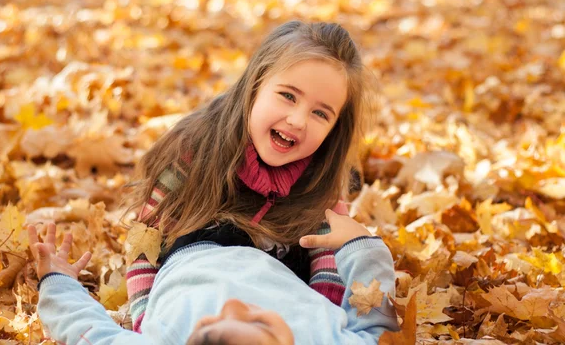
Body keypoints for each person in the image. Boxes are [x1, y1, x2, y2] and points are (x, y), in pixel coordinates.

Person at [29, 21, 399, 343]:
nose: (298, 120)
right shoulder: (322, 337)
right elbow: (374, 321)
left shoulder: (169, 336)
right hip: (287, 272)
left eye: (213, 326)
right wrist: (361, 246)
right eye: (289, 96)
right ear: (254, 85)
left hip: (194, 250)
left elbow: (95, 320)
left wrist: (64, 285)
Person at [29, 209, 398, 344]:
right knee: (315, 211)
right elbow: (375, 322)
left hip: (187, 247)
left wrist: (57, 281)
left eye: (206, 331)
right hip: (283, 258)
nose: (232, 305)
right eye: (260, 325)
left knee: (184, 180)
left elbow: (88, 333)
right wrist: (361, 245)